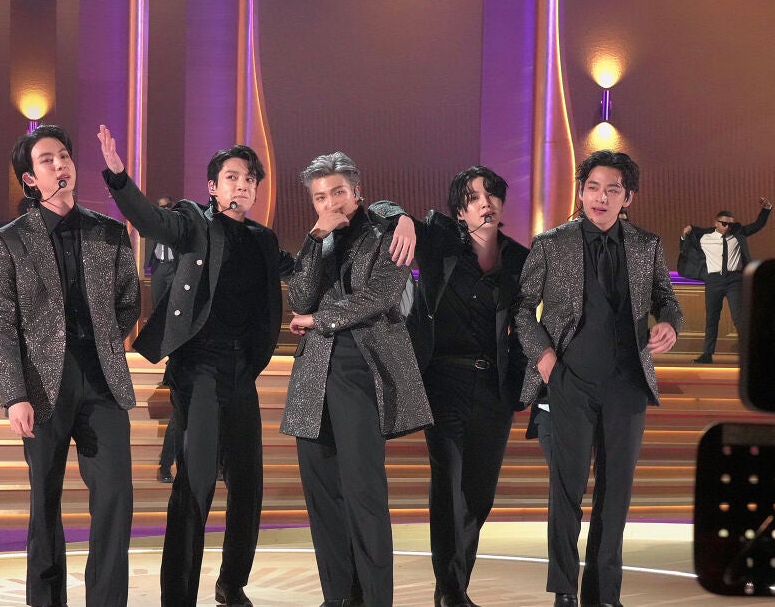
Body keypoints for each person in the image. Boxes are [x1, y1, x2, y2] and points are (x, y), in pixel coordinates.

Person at [98, 125, 294, 607]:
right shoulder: (193, 223)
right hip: (200, 367)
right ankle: (179, 595)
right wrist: (118, 176)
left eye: (249, 179)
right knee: (196, 482)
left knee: (248, 485)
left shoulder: (263, 239)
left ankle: (232, 584)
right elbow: (150, 220)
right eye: (232, 178)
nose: (242, 185)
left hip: (242, 371)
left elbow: (301, 268)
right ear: (213, 187)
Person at [515, 150, 682, 607]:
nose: (600, 197)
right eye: (592, 187)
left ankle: (605, 594)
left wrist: (670, 323)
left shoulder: (646, 245)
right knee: (566, 492)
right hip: (569, 380)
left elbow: (667, 299)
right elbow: (522, 309)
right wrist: (545, 358)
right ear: (581, 191)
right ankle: (564, 592)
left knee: (615, 495)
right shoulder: (552, 243)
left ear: (628, 197)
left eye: (612, 190)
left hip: (627, 385)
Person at [0, 124, 139, 607]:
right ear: (30, 179)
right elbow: (0, 324)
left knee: (115, 497)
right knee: (45, 500)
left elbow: (128, 302)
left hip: (102, 379)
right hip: (41, 384)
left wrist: (105, 341)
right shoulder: (10, 240)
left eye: (64, 156)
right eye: (47, 159)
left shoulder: (108, 231)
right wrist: (14, 396)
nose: (60, 164)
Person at [377, 166, 530, 607]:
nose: (486, 203)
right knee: (448, 484)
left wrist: (524, 382)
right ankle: (452, 591)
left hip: (494, 387)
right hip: (443, 380)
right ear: (460, 211)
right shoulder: (439, 242)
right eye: (474, 197)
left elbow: (525, 325)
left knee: (479, 496)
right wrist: (402, 219)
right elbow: (378, 210)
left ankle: (452, 584)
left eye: (492, 195)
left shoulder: (519, 259)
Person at [283, 153, 432, 607]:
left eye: (338, 193)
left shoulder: (389, 232)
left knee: (364, 492)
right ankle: (337, 598)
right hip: (312, 375)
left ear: (357, 192)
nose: (330, 204)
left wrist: (318, 319)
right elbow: (300, 295)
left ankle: (374, 598)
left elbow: (380, 297)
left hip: (361, 369)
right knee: (322, 495)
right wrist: (314, 240)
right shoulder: (320, 241)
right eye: (320, 197)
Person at [679, 198, 773, 363]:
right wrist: (683, 235)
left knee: (739, 317)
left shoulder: (738, 233)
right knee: (712, 318)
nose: (727, 227)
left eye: (730, 224)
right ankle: (707, 355)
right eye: (724, 223)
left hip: (734, 280)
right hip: (713, 280)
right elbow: (685, 248)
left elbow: (758, 225)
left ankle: (750, 353)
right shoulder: (704, 236)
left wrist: (766, 209)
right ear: (716, 223)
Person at [147, 194, 182, 484]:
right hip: (160, 267)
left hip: (175, 269)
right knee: (161, 314)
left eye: (166, 209)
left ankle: (218, 466)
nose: (164, 212)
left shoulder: (179, 230)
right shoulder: (154, 229)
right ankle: (165, 466)